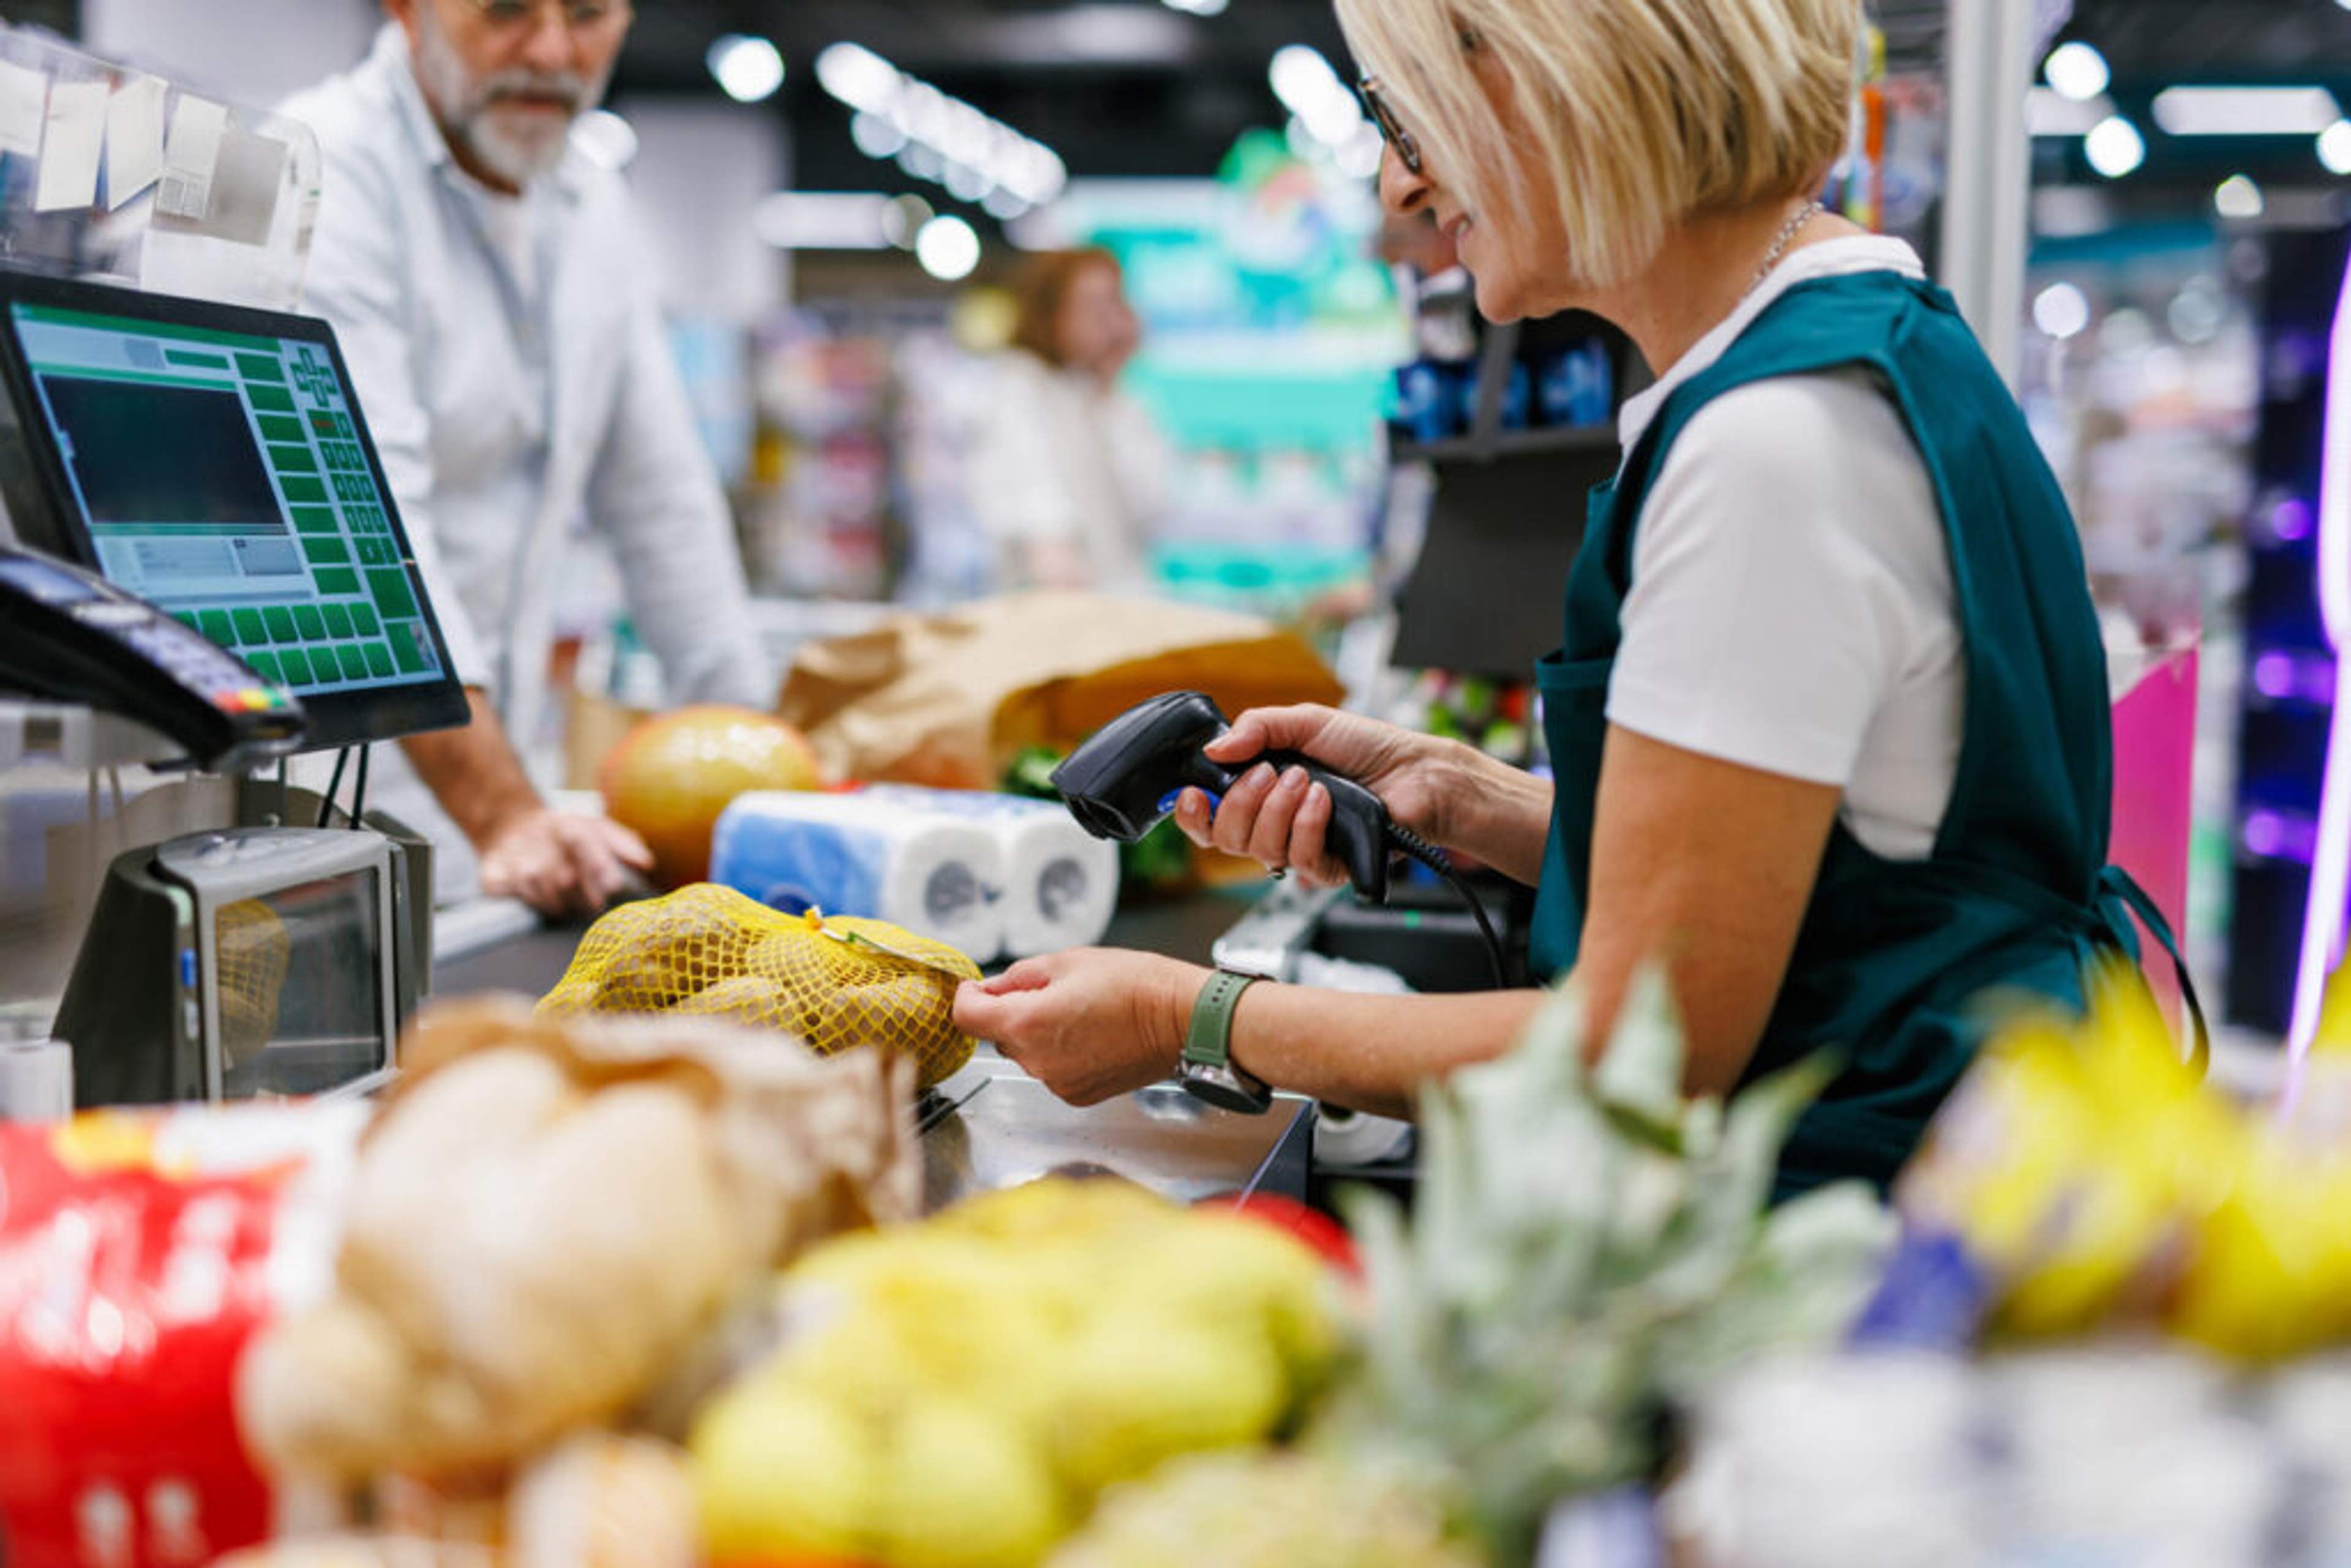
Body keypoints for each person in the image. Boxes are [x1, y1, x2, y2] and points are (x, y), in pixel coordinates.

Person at [956, 0, 2188, 1198]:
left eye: (1406, 117)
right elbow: (1841, 884)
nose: (1402, 189)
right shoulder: (1870, 348)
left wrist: (1195, 1015)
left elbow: (1633, 1053)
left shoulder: (1768, 447)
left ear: (1545, 78)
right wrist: (1475, 801)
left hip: (1851, 1245)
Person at [283, 0, 770, 916]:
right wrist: (501, 809)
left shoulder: (593, 205)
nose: (551, 52)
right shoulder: (320, 172)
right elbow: (361, 524)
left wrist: (768, 788)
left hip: (498, 830)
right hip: (319, 824)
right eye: (506, 9)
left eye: (587, 14)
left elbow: (666, 514)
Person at [967, 249, 1173, 593]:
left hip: (1115, 600)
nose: (1107, 320)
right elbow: (1034, 504)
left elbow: (1147, 504)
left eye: (1114, 302)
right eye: (1092, 304)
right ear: (1052, 309)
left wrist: (1111, 388)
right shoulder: (1020, 385)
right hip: (1058, 605)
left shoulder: (1106, 396)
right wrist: (1055, 561)